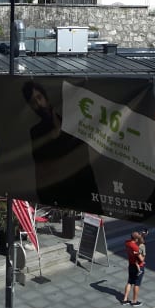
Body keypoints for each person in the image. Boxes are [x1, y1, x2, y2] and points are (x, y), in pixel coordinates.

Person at [22, 80, 101, 212]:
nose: (39, 104)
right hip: (61, 194)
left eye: (39, 98)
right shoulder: (37, 132)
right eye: (33, 102)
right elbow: (42, 165)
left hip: (84, 189)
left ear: (46, 97)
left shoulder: (72, 122)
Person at [121, 230, 145, 306]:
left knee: (130, 282)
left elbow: (134, 242)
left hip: (131, 265)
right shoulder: (135, 247)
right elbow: (141, 259)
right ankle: (134, 301)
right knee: (137, 284)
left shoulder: (127, 243)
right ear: (136, 239)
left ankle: (125, 299)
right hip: (138, 266)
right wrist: (143, 255)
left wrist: (140, 236)